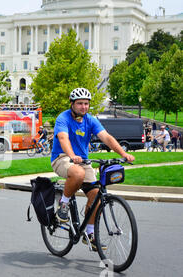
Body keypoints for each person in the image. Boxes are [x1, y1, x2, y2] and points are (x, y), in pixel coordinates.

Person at [51, 88, 135, 251]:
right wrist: (72, 155)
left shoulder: (91, 120)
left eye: (86, 104)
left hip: (84, 160)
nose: (84, 107)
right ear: (72, 104)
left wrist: (124, 153)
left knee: (97, 195)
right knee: (78, 172)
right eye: (80, 103)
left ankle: (90, 234)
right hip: (62, 157)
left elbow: (106, 137)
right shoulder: (63, 118)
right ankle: (64, 204)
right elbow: (63, 138)